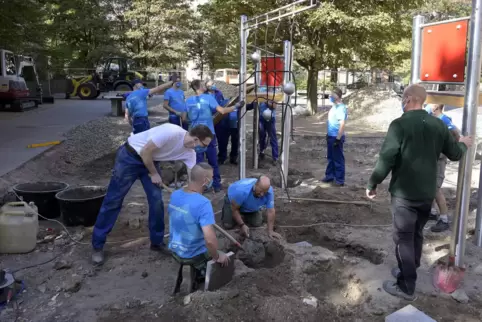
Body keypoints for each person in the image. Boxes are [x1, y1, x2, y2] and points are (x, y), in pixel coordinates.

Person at [366, 84, 472, 301]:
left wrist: (373, 183)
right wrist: (463, 144)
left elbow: (387, 158)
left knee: (403, 238)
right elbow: (454, 154)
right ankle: (409, 270)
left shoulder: (399, 125)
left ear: (409, 98)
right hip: (426, 194)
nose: (402, 101)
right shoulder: (437, 125)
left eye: (403, 97)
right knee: (416, 234)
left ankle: (406, 286)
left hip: (404, 195)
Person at [91, 123, 214, 265]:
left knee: (156, 201)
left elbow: (194, 179)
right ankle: (97, 245)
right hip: (130, 156)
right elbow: (145, 151)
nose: (204, 148)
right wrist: (154, 173)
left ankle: (157, 241)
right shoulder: (171, 132)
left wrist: (198, 202)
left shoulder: (190, 153)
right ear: (196, 139)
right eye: (204, 144)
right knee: (113, 200)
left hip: (151, 160)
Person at [168, 162, 230, 286]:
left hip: (174, 250)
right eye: (212, 178)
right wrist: (217, 255)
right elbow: (210, 241)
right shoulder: (203, 203)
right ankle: (199, 273)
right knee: (222, 257)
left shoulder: (175, 195)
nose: (213, 180)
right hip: (192, 255)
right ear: (205, 180)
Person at [185, 79, 241, 193]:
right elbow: (222, 111)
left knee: (199, 162)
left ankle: (201, 186)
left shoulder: (188, 100)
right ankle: (216, 184)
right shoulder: (209, 98)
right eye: (203, 84)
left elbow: (183, 118)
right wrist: (236, 106)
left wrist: (194, 121)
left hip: (195, 135)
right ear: (198, 87)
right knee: (213, 161)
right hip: (208, 134)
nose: (205, 85)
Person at [425, 104, 461, 232]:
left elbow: (456, 133)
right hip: (432, 158)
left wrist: (456, 145)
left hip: (439, 159)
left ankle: (444, 218)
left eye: (429, 106)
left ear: (435, 107)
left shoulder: (444, 120)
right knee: (430, 186)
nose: (427, 109)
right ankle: (432, 212)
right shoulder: (435, 120)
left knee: (435, 189)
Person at [205, 80, 236, 165]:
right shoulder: (205, 95)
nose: (214, 85)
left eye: (214, 84)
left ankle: (222, 157)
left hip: (220, 118)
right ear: (207, 87)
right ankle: (210, 157)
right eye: (211, 85)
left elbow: (221, 104)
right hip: (209, 119)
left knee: (222, 139)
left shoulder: (218, 93)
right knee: (209, 139)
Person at [322, 88, 347, 186]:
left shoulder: (341, 108)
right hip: (330, 136)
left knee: (338, 159)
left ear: (338, 95)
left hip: (336, 137)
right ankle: (330, 176)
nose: (331, 96)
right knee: (330, 158)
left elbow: (342, 124)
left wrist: (338, 138)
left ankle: (339, 180)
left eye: (332, 95)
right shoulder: (334, 107)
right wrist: (328, 134)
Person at [246, 100, 279, 165]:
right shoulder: (260, 90)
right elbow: (253, 104)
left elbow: (274, 106)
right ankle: (262, 152)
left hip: (270, 118)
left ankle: (275, 157)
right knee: (261, 136)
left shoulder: (274, 93)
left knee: (273, 138)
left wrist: (266, 102)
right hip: (261, 118)